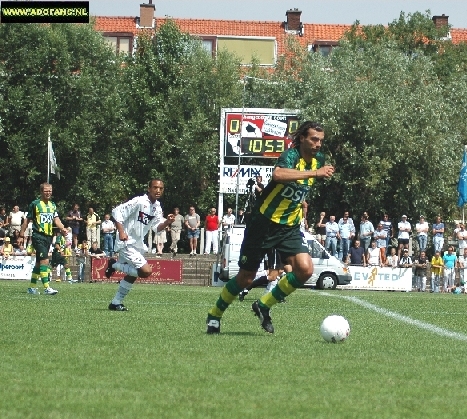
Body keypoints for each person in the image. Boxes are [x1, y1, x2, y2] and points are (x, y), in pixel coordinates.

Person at [205, 121, 335, 335]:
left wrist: (302, 200)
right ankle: (214, 314)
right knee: (246, 278)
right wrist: (315, 174)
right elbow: (278, 175)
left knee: (305, 269)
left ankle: (263, 305)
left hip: (289, 226)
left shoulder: (318, 160)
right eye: (313, 139)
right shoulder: (291, 156)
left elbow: (302, 185)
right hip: (263, 223)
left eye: (321, 140)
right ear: (302, 138)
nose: (318, 144)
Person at [104, 179, 175, 311]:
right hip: (126, 242)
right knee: (145, 271)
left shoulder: (157, 207)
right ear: (149, 189)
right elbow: (117, 211)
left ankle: (115, 302)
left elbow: (156, 228)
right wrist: (121, 231)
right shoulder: (139, 201)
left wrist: (167, 222)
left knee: (133, 274)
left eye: (161, 188)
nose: (158, 190)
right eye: (155, 188)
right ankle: (114, 264)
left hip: (137, 244)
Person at [19, 183, 69, 295]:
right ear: (41, 192)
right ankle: (47, 287)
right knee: (45, 260)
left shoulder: (52, 205)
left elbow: (56, 220)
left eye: (50, 190)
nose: (48, 193)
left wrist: (63, 228)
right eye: (46, 191)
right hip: (38, 235)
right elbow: (27, 220)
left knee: (38, 262)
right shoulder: (35, 204)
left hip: (48, 236)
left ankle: (31, 288)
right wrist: (21, 235)